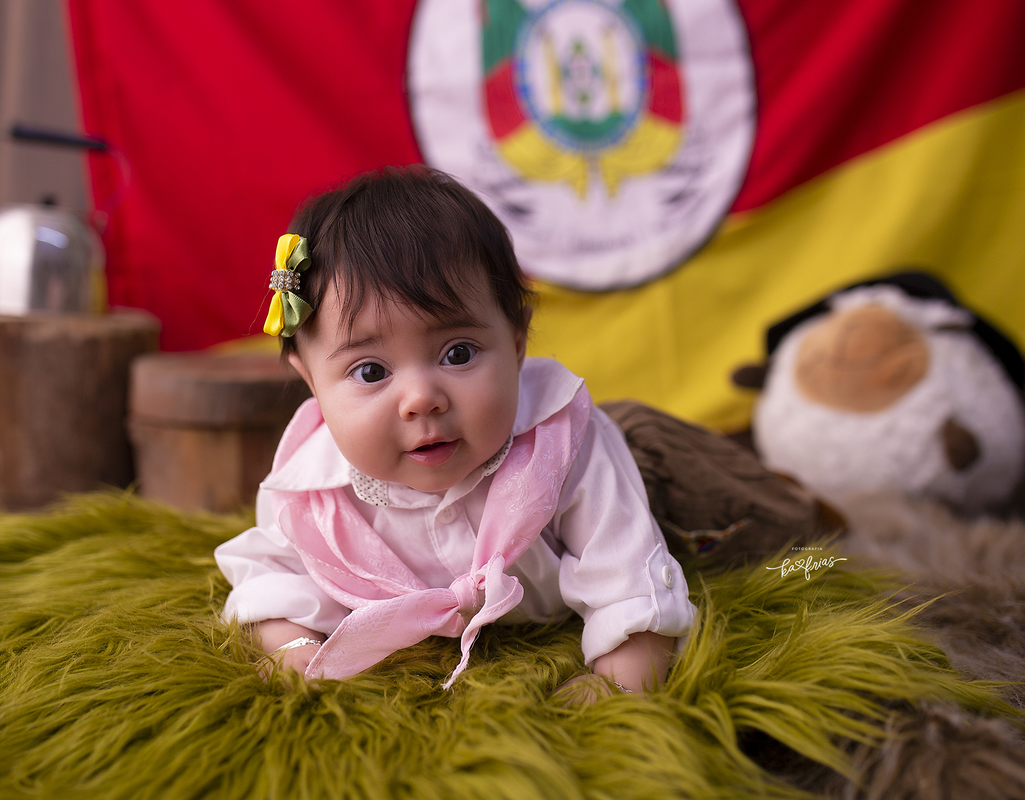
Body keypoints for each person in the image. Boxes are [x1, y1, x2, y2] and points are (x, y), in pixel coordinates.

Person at [214, 166, 695, 699]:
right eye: (371, 371)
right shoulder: (309, 493)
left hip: (664, 470)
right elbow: (270, 581)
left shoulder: (565, 446)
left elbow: (633, 579)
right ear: (312, 384)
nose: (422, 398)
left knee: (752, 531)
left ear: (516, 344)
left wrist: (619, 687)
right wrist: (292, 650)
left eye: (458, 353)